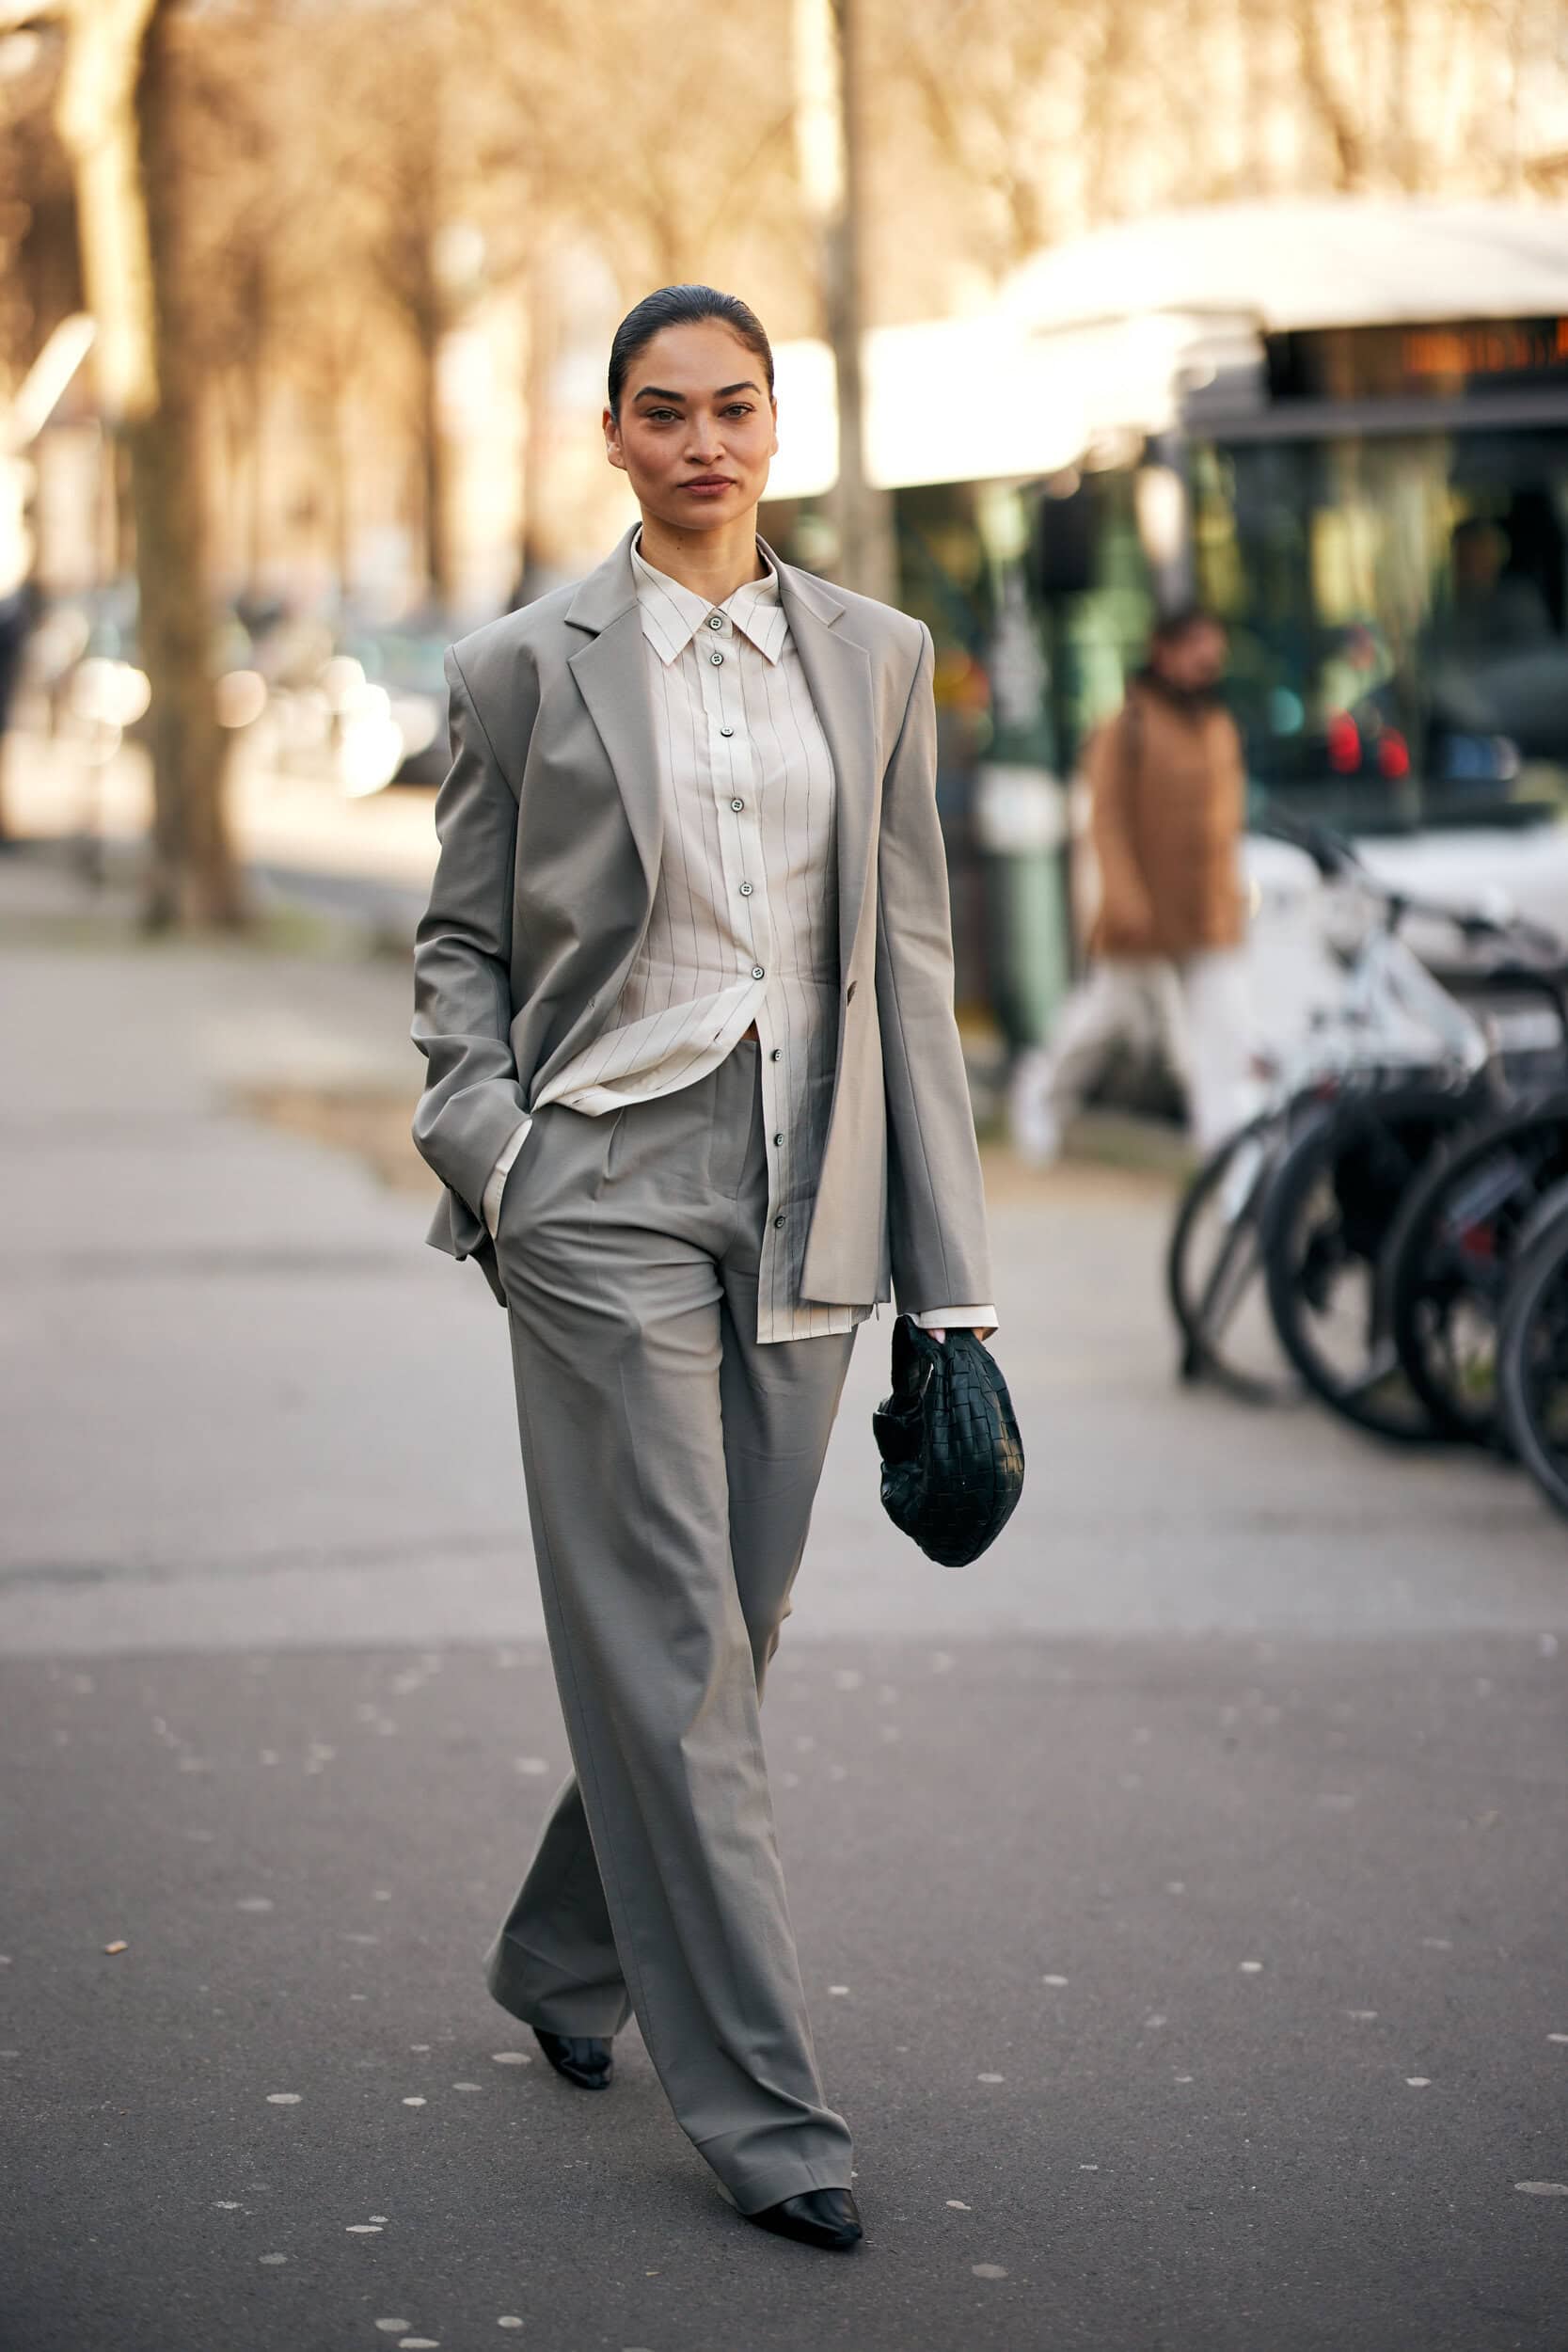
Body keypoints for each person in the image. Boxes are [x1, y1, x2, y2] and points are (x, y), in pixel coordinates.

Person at [409, 285, 996, 2253]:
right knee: (678, 1649)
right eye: (661, 413)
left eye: (732, 408)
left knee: (724, 1626)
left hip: (808, 1184)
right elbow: (455, 947)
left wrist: (955, 1287)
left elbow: (909, 973)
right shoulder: (519, 670)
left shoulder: (879, 658)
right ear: (610, 438)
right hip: (596, 1194)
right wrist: (493, 1153)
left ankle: (564, 1958)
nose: (700, 443)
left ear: (776, 424)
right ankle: (763, 2109)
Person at [1008, 607, 1253, 1166]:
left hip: (1210, 914)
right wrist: (1123, 897)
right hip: (1143, 914)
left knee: (1223, 1036)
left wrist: (1235, 899)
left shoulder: (1217, 724)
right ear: (1165, 650)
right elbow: (1106, 820)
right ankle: (1040, 1094)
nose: (1208, 661)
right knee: (1101, 1021)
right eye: (1197, 648)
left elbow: (1227, 824)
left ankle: (1226, 1155)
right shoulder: (1128, 726)